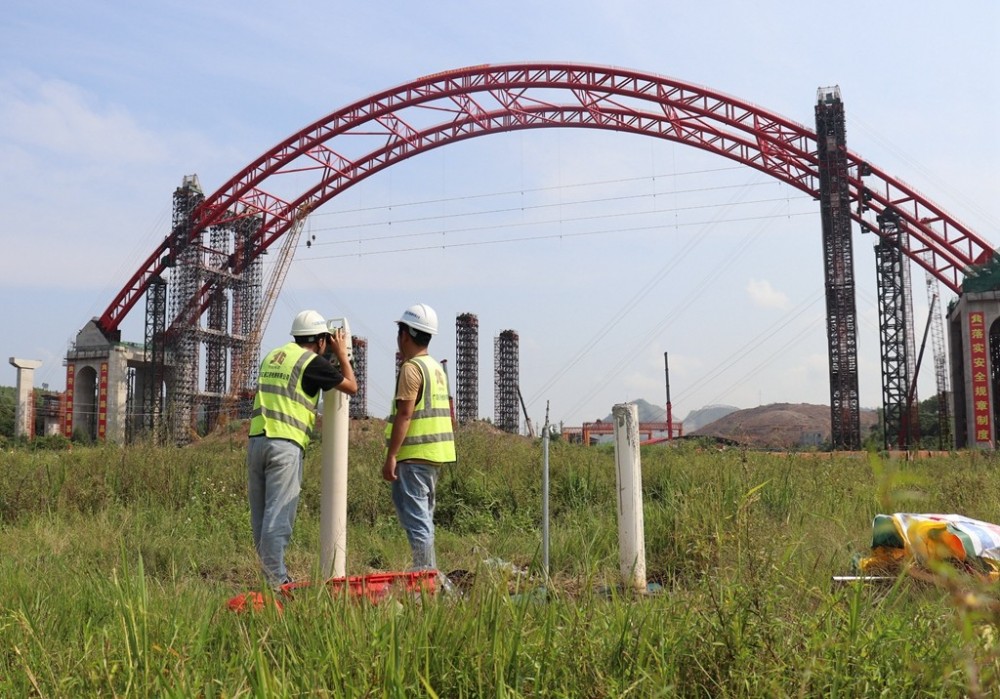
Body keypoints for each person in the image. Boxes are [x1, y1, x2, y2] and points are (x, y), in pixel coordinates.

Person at [247, 309, 357, 588]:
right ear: (321, 341)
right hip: (284, 445)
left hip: (257, 441)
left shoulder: (273, 356)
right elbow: (351, 386)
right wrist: (342, 354)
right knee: (278, 518)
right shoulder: (311, 363)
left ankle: (269, 577)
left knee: (261, 520)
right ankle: (276, 583)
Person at [383, 303, 456, 571]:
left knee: (417, 522)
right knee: (424, 519)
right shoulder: (435, 368)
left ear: (405, 334)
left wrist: (391, 456)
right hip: (434, 456)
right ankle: (427, 575)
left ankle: (424, 579)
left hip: (414, 457)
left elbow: (405, 414)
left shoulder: (411, 368)